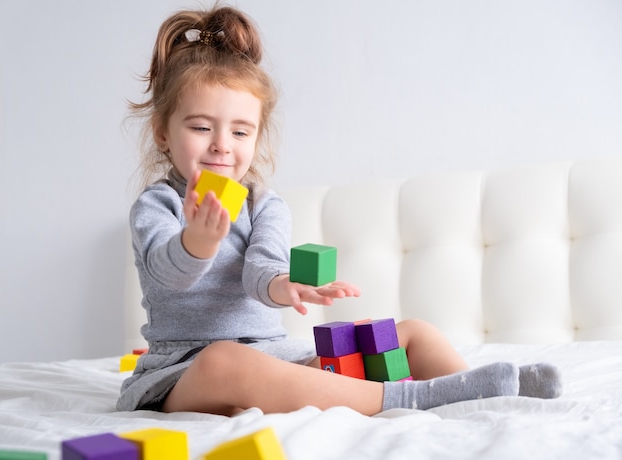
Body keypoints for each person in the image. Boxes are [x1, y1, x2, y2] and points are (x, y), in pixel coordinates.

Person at [117, 5, 562, 416]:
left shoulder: (264, 205)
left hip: (278, 360)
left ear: (255, 138)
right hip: (185, 371)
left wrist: (283, 283)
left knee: (408, 332)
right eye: (200, 127)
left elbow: (262, 271)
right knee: (224, 359)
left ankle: (490, 391)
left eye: (240, 131)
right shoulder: (157, 204)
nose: (221, 145)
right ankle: (412, 397)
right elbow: (166, 271)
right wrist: (198, 240)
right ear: (162, 132)